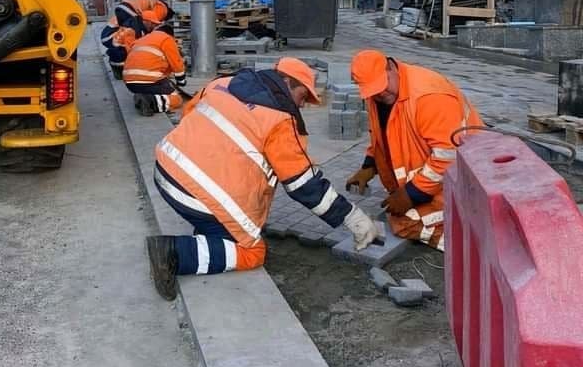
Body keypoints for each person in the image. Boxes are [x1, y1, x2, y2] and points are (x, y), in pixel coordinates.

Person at [145, 57, 379, 299]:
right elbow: (304, 185)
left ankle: (212, 232)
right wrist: (353, 217)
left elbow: (189, 114)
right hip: (193, 194)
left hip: (164, 170)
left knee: (228, 225)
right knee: (252, 252)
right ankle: (174, 253)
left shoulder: (224, 83)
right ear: (287, 82)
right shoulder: (280, 119)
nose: (303, 105)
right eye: (302, 96)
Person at [347, 50, 482, 252]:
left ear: (392, 67)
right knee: (401, 218)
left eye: (382, 87)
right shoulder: (377, 96)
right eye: (373, 91)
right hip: (437, 176)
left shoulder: (429, 96)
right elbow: (383, 136)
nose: (380, 94)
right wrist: (369, 166)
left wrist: (411, 194)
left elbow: (448, 156)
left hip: (466, 175)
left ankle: (470, 247)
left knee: (404, 224)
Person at [123, 21, 188, 116]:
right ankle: (150, 101)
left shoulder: (143, 39)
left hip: (130, 83)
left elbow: (147, 62)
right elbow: (176, 63)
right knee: (176, 99)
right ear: (171, 35)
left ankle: (144, 97)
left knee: (157, 88)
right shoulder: (167, 39)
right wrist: (181, 81)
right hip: (148, 81)